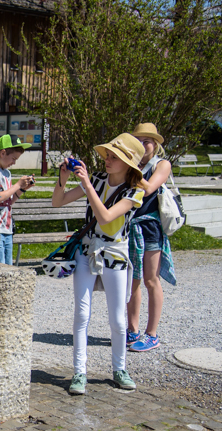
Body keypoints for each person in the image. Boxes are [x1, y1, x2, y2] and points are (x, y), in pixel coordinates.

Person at [52, 133, 146, 396]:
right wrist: (64, 177)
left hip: (115, 254)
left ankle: (119, 369)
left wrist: (86, 185)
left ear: (129, 164)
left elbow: (105, 218)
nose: (108, 159)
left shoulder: (134, 191)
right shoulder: (96, 179)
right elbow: (57, 201)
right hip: (87, 251)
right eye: (108, 154)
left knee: (118, 320)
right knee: (82, 314)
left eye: (115, 157)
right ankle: (79, 372)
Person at [126, 123, 176, 353]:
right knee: (132, 281)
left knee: (150, 279)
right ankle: (132, 329)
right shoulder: (133, 164)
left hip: (150, 226)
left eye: (147, 141)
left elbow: (149, 189)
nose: (143, 145)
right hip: (130, 226)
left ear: (155, 145)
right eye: (139, 140)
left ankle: (152, 333)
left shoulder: (161, 164)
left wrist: (130, 168)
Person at [0, 135, 35, 264]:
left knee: (8, 267)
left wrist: (22, 189)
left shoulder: (6, 173)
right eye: (13, 158)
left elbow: (8, 201)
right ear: (3, 153)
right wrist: (17, 185)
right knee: (0, 269)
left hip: (6, 229)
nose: (14, 163)